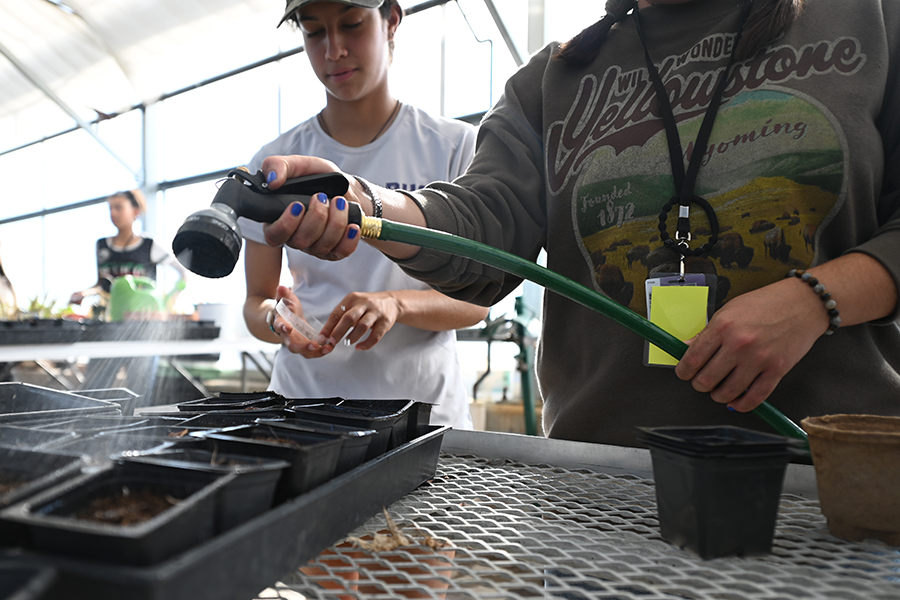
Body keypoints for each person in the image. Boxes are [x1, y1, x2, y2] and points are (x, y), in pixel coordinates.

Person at [249, 0, 900, 447]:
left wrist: (815, 298)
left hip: (827, 480)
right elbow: (482, 224)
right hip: (602, 485)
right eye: (312, 29)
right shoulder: (555, 79)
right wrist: (363, 202)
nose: (332, 47)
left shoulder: (870, 20)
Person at [240, 0, 488, 429]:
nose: (333, 50)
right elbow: (255, 301)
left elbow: (477, 299)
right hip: (305, 408)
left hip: (420, 414)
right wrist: (277, 319)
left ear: (391, 20)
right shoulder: (275, 163)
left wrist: (395, 303)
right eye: (314, 31)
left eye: (351, 24)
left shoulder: (453, 147)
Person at [70, 189, 188, 308]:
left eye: (118, 208)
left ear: (135, 212)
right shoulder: (102, 246)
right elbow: (102, 285)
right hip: (110, 314)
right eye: (110, 208)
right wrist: (83, 294)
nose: (113, 213)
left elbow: (183, 271)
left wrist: (171, 299)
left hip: (142, 315)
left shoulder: (148, 245)